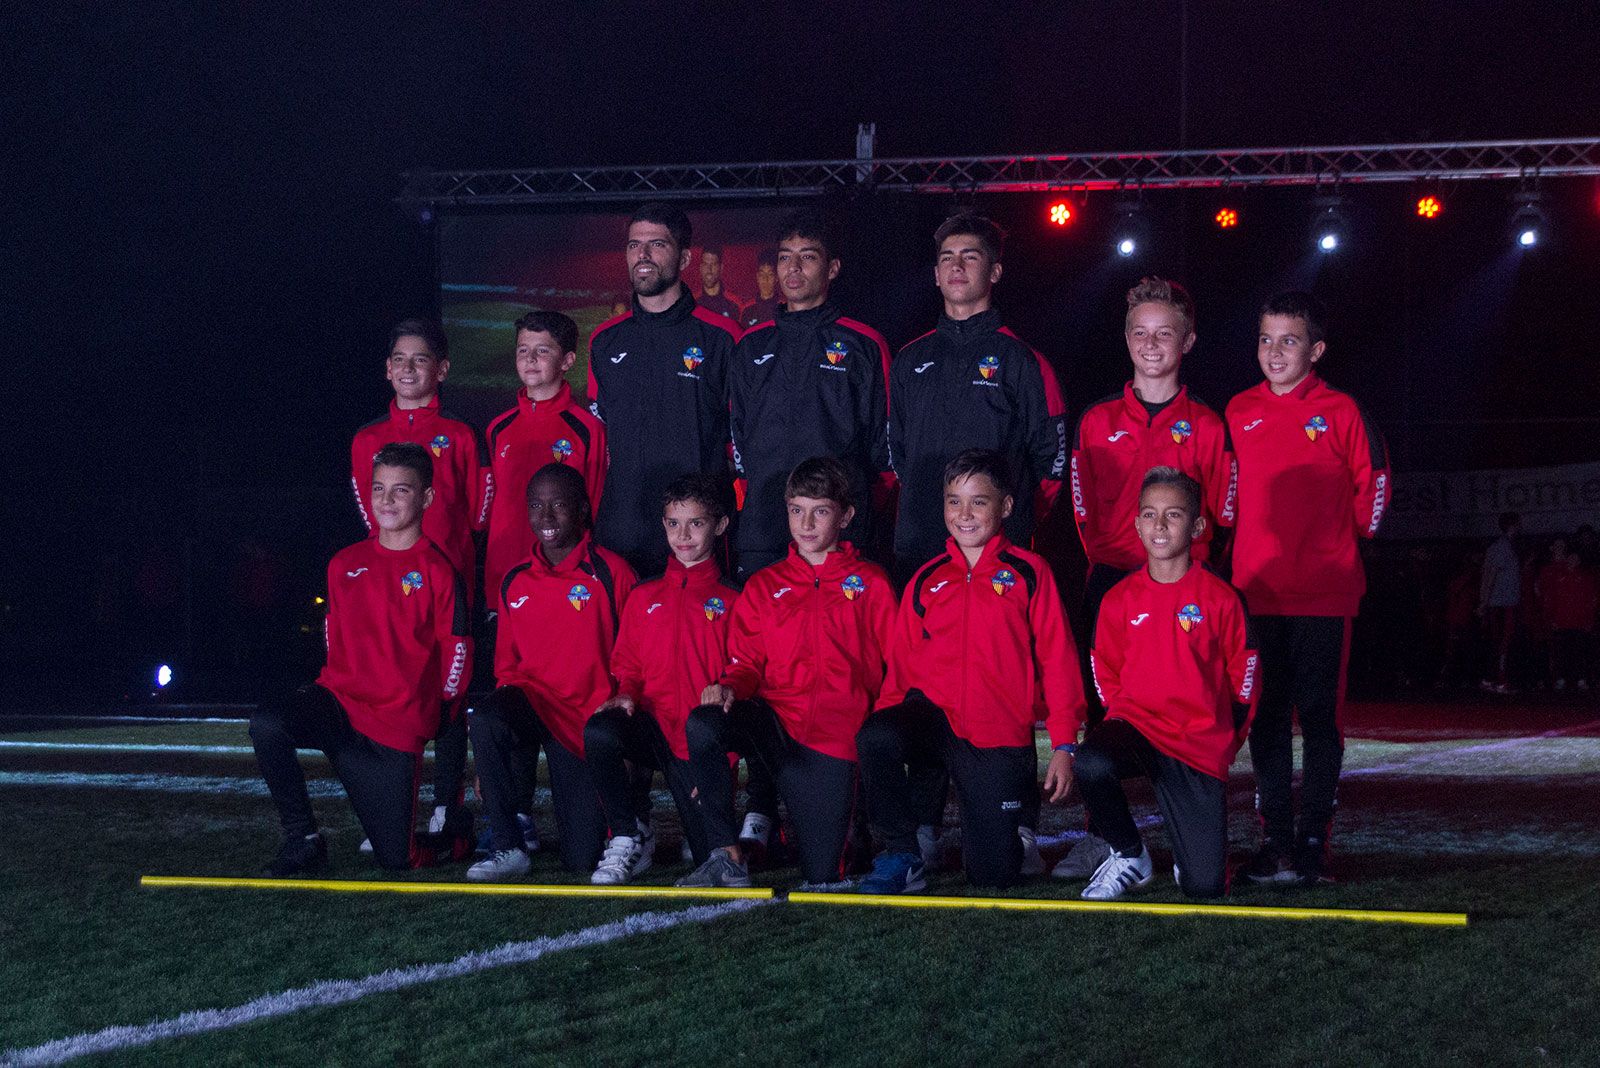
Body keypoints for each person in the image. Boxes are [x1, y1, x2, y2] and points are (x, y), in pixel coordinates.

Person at [1059, 277, 1236, 878]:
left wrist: (1183, 575)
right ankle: (1104, 838)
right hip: (1113, 579)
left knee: (1189, 699)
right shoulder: (1097, 420)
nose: (1151, 343)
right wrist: (1114, 564)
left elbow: (1219, 511)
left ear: (1187, 341)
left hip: (1186, 587)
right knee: (1105, 714)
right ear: (1126, 340)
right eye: (1140, 332)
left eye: (1165, 333)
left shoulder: (1209, 426)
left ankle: (1189, 806)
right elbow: (1083, 507)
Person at [856, 450, 1086, 892]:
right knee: (876, 734)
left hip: (995, 735)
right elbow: (901, 668)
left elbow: (1058, 660)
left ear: (1006, 507)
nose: (964, 514)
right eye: (953, 501)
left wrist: (1063, 743)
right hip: (934, 722)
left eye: (978, 501)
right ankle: (903, 854)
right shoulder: (927, 578)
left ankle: (1016, 834)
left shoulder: (1029, 573)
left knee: (994, 875)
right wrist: (887, 729)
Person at [1227, 291, 1389, 886]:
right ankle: (1275, 843)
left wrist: (1338, 547)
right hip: (1257, 593)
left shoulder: (1342, 410)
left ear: (1315, 350)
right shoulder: (1238, 410)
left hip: (1324, 593)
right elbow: (1227, 495)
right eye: (1266, 339)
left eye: (1289, 340)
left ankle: (1314, 840)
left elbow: (1373, 485)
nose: (1274, 351)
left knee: (1319, 718)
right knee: (1265, 719)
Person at [251, 443, 472, 875]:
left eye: (401, 490)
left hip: (393, 728)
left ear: (426, 497)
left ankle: (456, 839)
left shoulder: (439, 570)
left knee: (398, 860)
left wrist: (430, 717)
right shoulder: (344, 563)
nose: (386, 500)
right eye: (379, 489)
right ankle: (304, 839)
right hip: (338, 706)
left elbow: (458, 651)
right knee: (268, 724)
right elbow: (333, 635)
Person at [678, 458, 895, 889]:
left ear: (846, 516)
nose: (806, 523)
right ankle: (726, 852)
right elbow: (745, 664)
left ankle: (855, 827)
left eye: (820, 511)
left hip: (837, 741)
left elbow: (897, 668)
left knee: (823, 877)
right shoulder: (764, 585)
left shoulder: (872, 583)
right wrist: (729, 687)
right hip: (776, 729)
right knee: (703, 720)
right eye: (797, 510)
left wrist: (873, 739)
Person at [1062, 467, 1260, 900]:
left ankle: (1192, 861)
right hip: (1138, 728)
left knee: (1205, 887)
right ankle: (1130, 854)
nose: (1160, 526)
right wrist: (1121, 717)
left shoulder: (1222, 598)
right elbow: (1103, 669)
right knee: (1092, 760)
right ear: (1136, 524)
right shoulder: (1117, 599)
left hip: (1196, 744)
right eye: (1149, 515)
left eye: (1173, 515)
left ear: (1198, 526)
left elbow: (1245, 678)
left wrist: (1226, 740)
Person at [349, 320, 488, 840]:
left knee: (449, 696)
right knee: (390, 691)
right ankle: (390, 808)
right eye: (400, 360)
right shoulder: (367, 440)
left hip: (447, 589)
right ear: (387, 370)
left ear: (442, 369)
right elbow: (370, 511)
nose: (409, 369)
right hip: (387, 595)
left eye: (421, 359)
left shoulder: (458, 435)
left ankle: (446, 806)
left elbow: (478, 514)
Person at [467, 464, 637, 880]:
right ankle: (508, 846)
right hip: (534, 703)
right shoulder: (515, 581)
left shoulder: (612, 573)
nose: (545, 517)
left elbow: (634, 654)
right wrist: (494, 760)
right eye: (536, 506)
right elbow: (506, 667)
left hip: (584, 722)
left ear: (582, 509)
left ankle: (623, 831)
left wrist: (620, 737)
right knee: (487, 717)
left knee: (581, 861)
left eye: (558, 505)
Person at [888, 212, 1067, 586]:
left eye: (970, 256)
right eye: (946, 257)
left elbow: (1051, 462)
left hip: (998, 553)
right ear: (936, 275)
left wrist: (1012, 522)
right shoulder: (909, 358)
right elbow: (897, 449)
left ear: (995, 272)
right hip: (921, 546)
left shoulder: (1023, 360)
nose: (956, 266)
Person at [582, 473, 742, 883]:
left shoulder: (734, 598)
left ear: (720, 525)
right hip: (651, 729)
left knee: (706, 855)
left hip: (695, 747)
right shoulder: (643, 595)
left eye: (696, 523)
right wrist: (626, 694)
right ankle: (629, 833)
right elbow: (628, 666)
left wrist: (719, 765)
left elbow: (740, 679)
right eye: (673, 523)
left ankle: (708, 826)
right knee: (600, 730)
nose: (683, 535)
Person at [727, 208, 893, 578]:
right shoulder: (752, 345)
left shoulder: (863, 344)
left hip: (839, 533)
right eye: (785, 257)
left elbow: (885, 446)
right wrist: (751, 497)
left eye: (808, 257)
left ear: (832, 268)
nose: (793, 268)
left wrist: (856, 510)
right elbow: (735, 433)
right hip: (764, 528)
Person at [588, 201, 741, 577]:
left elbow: (742, 437)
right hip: (622, 529)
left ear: (685, 258)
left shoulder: (722, 338)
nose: (642, 254)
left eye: (657, 244)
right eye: (633, 245)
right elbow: (600, 438)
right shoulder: (605, 341)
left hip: (694, 534)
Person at [484, 310, 607, 614]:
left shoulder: (587, 429)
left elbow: (593, 504)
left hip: (563, 574)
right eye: (523, 350)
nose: (530, 359)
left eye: (543, 351)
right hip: (505, 569)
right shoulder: (498, 428)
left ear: (567, 361)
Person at [1537, 537, 1597, 692]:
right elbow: (1550, 599)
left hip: (1580, 622)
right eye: (1571, 557)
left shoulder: (1586, 577)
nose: (1573, 560)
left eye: (1576, 558)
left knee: (1580, 652)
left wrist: (1589, 620)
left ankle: (1581, 679)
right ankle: (1560, 678)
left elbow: (1592, 600)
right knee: (1560, 652)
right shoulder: (1557, 576)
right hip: (1561, 621)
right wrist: (1551, 619)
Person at [1478, 512, 1522, 694]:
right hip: (1502, 603)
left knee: (1499, 641)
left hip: (1503, 602)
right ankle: (1500, 680)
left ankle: (1490, 678)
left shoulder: (1506, 547)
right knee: (1503, 641)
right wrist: (1484, 601)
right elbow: (1490, 575)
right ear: (1513, 525)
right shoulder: (1501, 547)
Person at [697, 244, 743, 321]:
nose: (709, 270)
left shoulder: (735, 305)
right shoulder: (691, 303)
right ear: (700, 268)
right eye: (705, 264)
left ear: (721, 268)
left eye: (713, 264)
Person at [740, 248, 782, 329]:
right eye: (762, 275)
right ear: (757, 277)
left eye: (770, 274)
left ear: (776, 278)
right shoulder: (747, 310)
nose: (765, 279)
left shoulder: (785, 308)